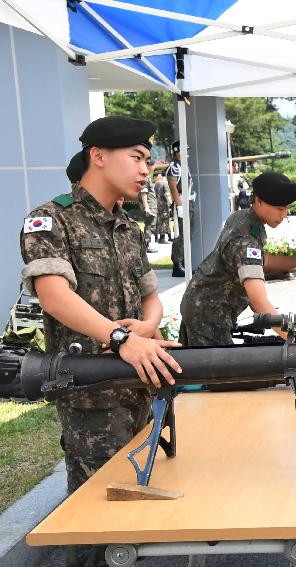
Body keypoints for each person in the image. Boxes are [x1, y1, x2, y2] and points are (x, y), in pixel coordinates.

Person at [20, 116, 182, 567]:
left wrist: (145, 329)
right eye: (136, 158)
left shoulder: (128, 228)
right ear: (98, 156)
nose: (146, 169)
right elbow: (54, 296)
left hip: (141, 387)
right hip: (91, 396)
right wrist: (118, 338)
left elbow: (153, 300)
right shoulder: (50, 220)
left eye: (148, 159)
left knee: (137, 514)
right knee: (97, 519)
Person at [179, 172, 296, 346]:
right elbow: (259, 301)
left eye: (287, 208)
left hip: (202, 305)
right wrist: (294, 338)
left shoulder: (243, 217)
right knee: (216, 371)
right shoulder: (246, 242)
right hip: (209, 314)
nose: (284, 215)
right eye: (280, 209)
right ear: (258, 201)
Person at [167, 140, 195, 277]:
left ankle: (183, 263)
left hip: (188, 202)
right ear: (177, 152)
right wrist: (179, 206)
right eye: (184, 150)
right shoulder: (174, 167)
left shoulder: (183, 165)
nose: (187, 153)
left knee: (188, 235)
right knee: (181, 235)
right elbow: (173, 187)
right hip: (182, 203)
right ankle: (177, 265)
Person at [140, 162, 158, 253]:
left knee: (151, 225)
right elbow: (143, 193)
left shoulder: (148, 177)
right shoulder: (146, 178)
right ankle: (145, 246)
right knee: (149, 225)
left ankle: (146, 245)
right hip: (150, 206)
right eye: (153, 165)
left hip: (152, 205)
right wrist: (147, 208)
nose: (154, 167)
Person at [153, 172, 171, 243]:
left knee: (158, 221)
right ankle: (162, 238)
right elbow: (167, 194)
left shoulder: (156, 183)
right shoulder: (165, 183)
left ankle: (156, 238)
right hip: (163, 205)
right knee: (164, 221)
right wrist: (171, 203)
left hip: (156, 204)